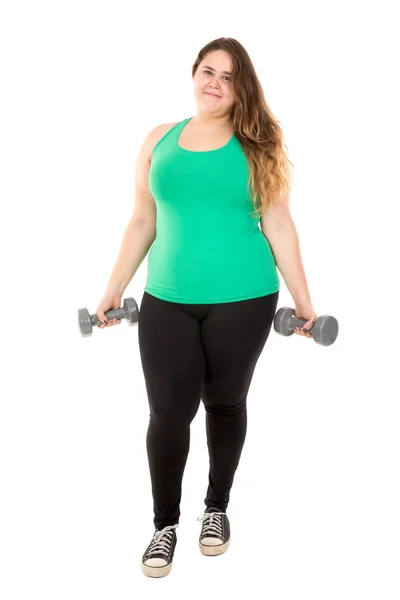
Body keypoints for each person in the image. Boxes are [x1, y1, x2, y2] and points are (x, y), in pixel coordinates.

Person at [95, 37, 318, 578]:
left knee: (223, 402)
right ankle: (164, 526)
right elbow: (142, 221)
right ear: (193, 74)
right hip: (166, 299)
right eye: (207, 71)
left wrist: (305, 304)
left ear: (242, 87)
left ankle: (215, 509)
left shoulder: (257, 144)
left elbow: (279, 223)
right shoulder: (158, 140)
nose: (215, 82)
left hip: (244, 299)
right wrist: (112, 288)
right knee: (168, 413)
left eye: (228, 75)